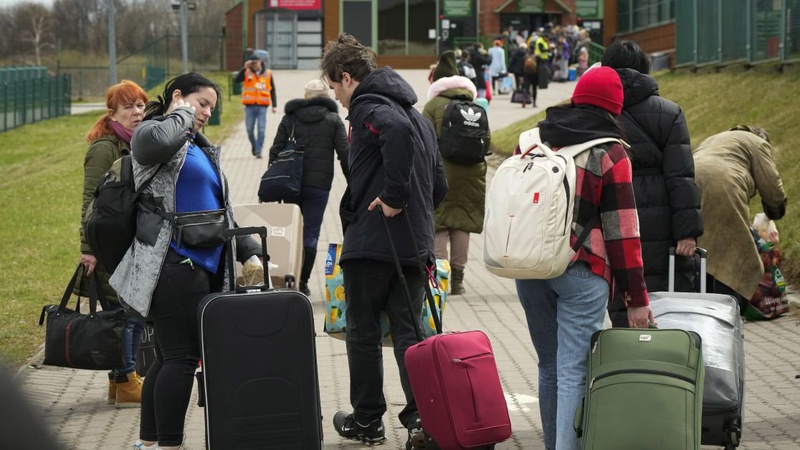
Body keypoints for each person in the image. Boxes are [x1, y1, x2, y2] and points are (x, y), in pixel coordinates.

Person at [110, 73, 263, 450]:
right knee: (182, 359)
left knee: (167, 358)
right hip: (173, 264)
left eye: (212, 106)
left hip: (198, 265)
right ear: (178, 97)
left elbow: (219, 209)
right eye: (202, 103)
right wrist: (180, 113)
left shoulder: (196, 144)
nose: (207, 112)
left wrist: (247, 251)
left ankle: (148, 442)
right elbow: (153, 144)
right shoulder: (154, 132)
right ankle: (169, 444)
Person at [514, 66, 653, 450]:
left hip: (530, 266)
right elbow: (623, 232)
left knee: (549, 365)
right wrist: (636, 299)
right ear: (614, 109)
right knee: (574, 369)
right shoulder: (611, 151)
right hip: (582, 270)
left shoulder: (532, 139)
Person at [320, 34, 448, 449]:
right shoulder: (420, 118)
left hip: (374, 244)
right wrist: (414, 209)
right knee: (411, 335)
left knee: (363, 333)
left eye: (335, 88)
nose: (338, 99)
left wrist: (394, 197)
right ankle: (420, 420)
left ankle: (368, 420)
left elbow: (391, 133)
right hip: (413, 246)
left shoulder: (369, 108)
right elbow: (439, 185)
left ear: (345, 78)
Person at [601, 39, 703, 327]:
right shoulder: (669, 113)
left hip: (613, 215)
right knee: (666, 303)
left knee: (622, 297)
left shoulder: (600, 113)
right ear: (645, 69)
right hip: (662, 220)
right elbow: (680, 176)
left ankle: (625, 362)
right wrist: (688, 232)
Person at [78, 79, 148, 408]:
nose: (137, 113)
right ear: (113, 114)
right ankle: (127, 379)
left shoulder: (136, 144)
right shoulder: (104, 148)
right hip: (108, 244)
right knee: (125, 315)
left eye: (140, 106)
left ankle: (118, 382)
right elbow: (88, 202)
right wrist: (88, 249)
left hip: (127, 241)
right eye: (129, 107)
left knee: (127, 312)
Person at [267, 79, 349, 296]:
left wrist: (274, 181)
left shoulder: (290, 119)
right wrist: (355, 184)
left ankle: (290, 278)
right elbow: (345, 155)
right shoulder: (333, 120)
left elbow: (275, 150)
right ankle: (303, 282)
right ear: (326, 97)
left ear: (305, 97)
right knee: (311, 233)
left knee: (292, 232)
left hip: (290, 184)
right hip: (319, 186)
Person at [694, 125, 786, 315]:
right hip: (723, 185)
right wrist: (776, 208)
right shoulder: (758, 143)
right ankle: (727, 314)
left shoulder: (717, 137)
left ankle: (702, 307)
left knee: (703, 251)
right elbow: (771, 184)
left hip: (689, 182)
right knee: (739, 259)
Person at [422, 50, 489, 295]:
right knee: (462, 223)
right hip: (472, 174)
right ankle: (458, 280)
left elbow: (423, 140)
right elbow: (487, 141)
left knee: (439, 223)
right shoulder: (474, 105)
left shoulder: (432, 106)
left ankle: (440, 278)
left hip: (441, 171)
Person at [234, 55, 278, 158]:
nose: (254, 65)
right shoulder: (246, 72)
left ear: (260, 62)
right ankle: (254, 146)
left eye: (255, 63)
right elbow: (236, 80)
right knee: (249, 129)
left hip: (262, 105)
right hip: (249, 106)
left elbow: (273, 90)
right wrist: (244, 67)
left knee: (261, 129)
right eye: (252, 63)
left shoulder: (268, 73)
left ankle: (258, 150)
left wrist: (274, 105)